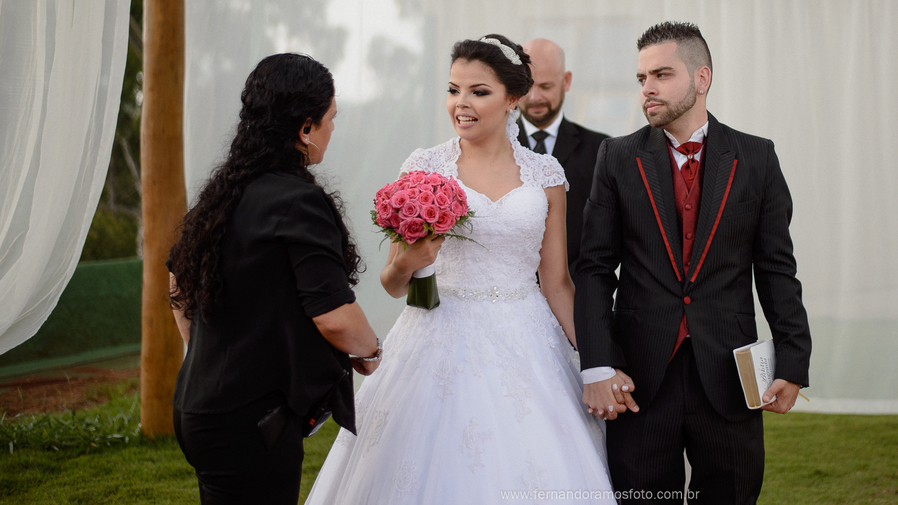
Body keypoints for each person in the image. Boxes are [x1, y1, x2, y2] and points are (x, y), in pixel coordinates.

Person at [306, 34, 612, 503]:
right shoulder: (425, 167)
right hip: (435, 338)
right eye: (453, 90)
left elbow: (557, 284)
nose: (461, 104)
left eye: (478, 92)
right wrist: (411, 261)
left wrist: (595, 363)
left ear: (513, 98)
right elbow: (392, 283)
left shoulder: (546, 175)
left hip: (528, 342)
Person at [575, 21, 812, 504]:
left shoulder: (756, 157)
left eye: (661, 74)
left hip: (728, 373)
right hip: (640, 379)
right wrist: (598, 364)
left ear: (702, 78)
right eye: (642, 78)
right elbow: (595, 269)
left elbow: (775, 268)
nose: (648, 89)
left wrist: (793, 358)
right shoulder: (617, 158)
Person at [168, 54, 403, 505]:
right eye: (331, 119)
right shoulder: (298, 202)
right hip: (250, 419)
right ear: (306, 129)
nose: (333, 129)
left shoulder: (222, 194)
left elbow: (179, 287)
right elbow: (334, 316)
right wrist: (372, 352)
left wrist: (207, 351)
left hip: (197, 403)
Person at [516, 38, 609, 277]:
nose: (535, 97)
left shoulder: (601, 150)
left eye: (545, 86)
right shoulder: (494, 148)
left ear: (566, 81)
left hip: (579, 298)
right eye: (527, 86)